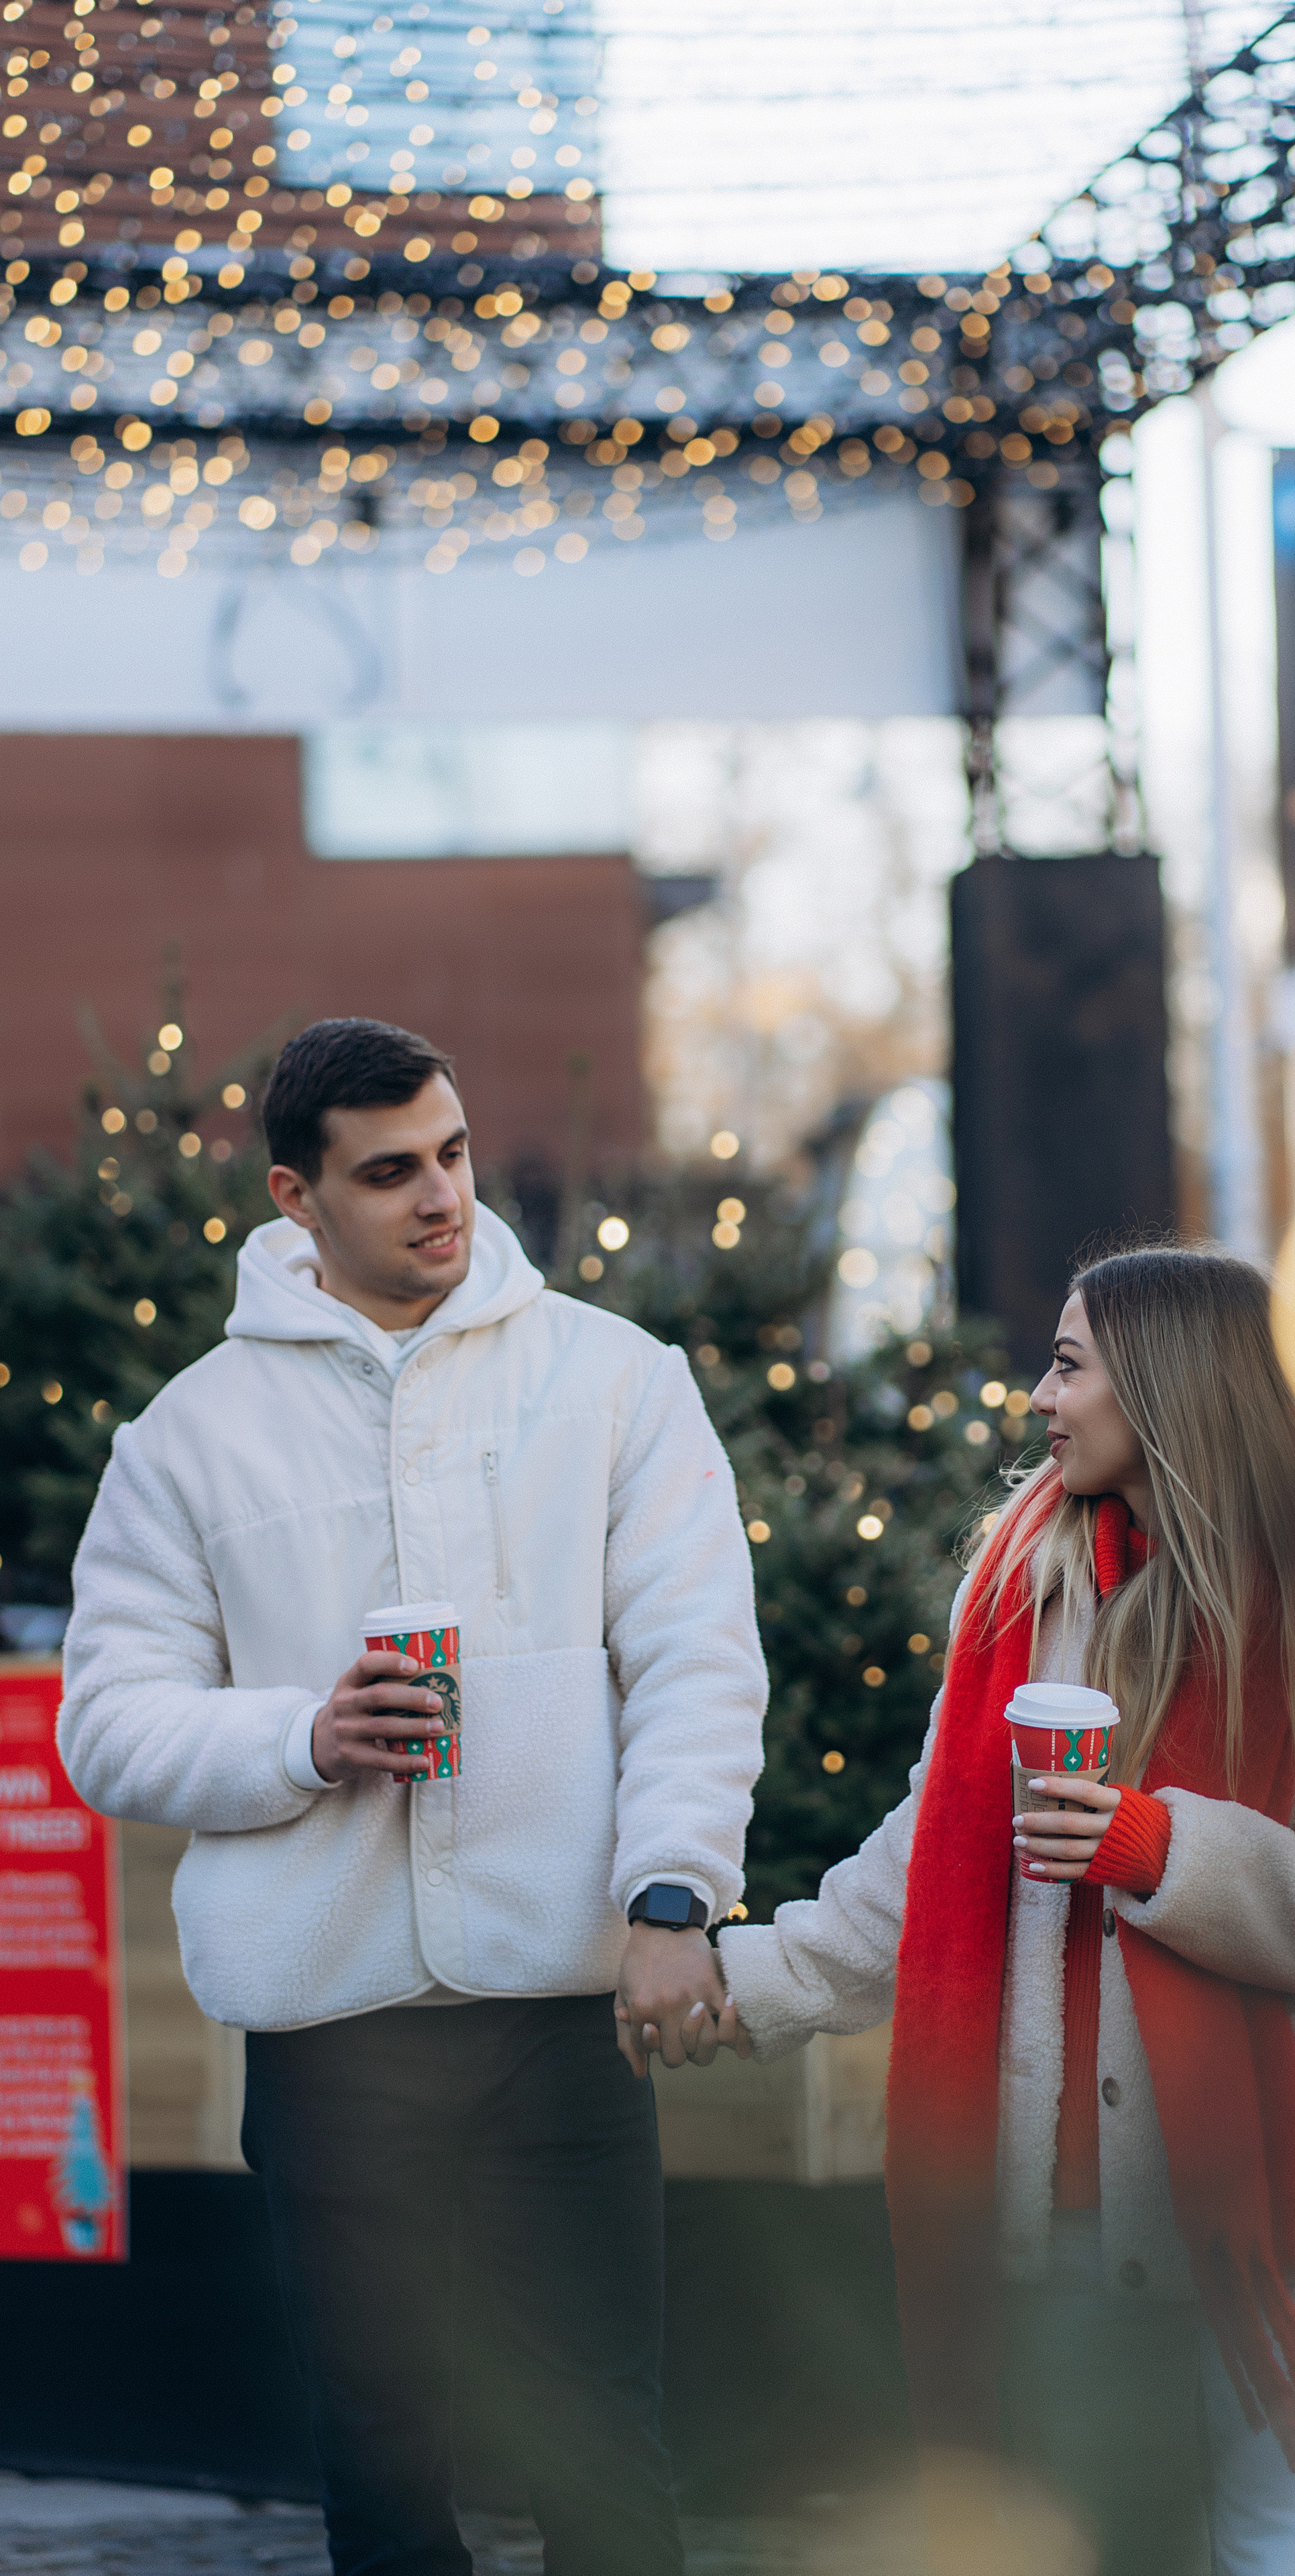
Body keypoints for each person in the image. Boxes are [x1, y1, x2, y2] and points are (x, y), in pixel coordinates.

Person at [59, 1018, 765, 2576]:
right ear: (297, 1198)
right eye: (390, 1174)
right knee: (379, 2457)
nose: (441, 1196)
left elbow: (700, 1665)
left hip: (562, 2005)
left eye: (449, 1153)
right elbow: (104, 1728)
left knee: (602, 2439)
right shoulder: (189, 1437)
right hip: (331, 2023)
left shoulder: (615, 1381)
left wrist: (673, 1898)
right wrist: (301, 1740)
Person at [710, 1246, 1295, 2576]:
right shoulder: (1020, 1589)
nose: (1037, 1398)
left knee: (1290, 2560)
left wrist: (1157, 1846)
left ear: (1171, 1392)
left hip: (1286, 2218)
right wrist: (742, 1984)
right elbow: (925, 1861)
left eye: (1067, 1365)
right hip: (1054, 2211)